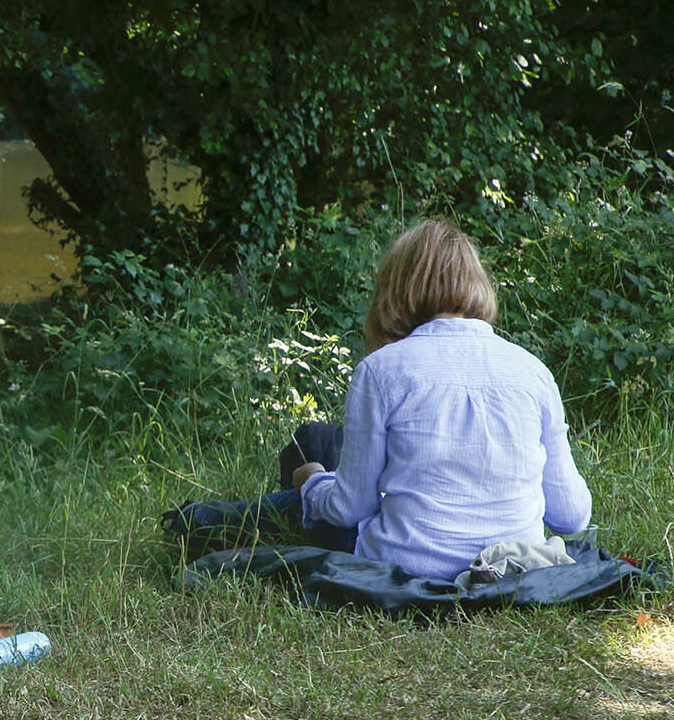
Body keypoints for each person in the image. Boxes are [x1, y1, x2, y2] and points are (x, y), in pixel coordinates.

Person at [171, 218, 592, 581]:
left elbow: (350, 508)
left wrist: (313, 482)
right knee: (319, 445)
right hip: (513, 567)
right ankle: (200, 519)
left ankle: (197, 521)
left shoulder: (382, 370)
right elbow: (573, 516)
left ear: (398, 287)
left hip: (405, 566)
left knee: (312, 459)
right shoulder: (534, 372)